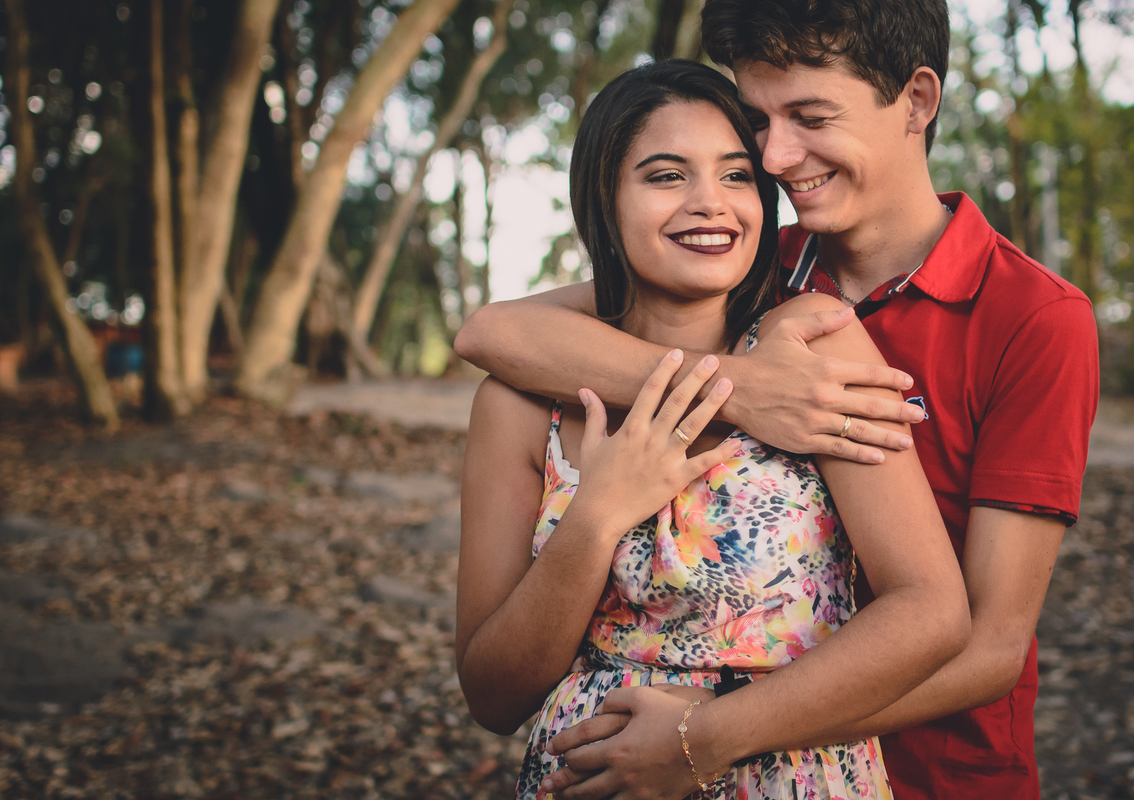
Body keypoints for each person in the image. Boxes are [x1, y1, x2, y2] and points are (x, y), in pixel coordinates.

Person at [454, 1, 1100, 798]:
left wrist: (714, 730)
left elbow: (991, 644)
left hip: (930, 770)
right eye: (759, 121)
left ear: (918, 101)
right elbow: (493, 333)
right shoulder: (753, 263)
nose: (777, 157)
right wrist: (739, 390)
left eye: (810, 117)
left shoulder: (1033, 319)